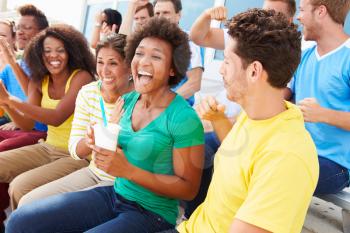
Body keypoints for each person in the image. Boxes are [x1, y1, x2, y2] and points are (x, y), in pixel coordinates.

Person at [6, 17, 204, 233]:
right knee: (20, 221)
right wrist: (96, 139)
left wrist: (128, 171)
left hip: (152, 213)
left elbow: (188, 190)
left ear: (173, 69)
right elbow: (106, 141)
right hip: (115, 195)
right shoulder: (127, 101)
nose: (143, 62)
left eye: (156, 56)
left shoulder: (184, 118)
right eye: (139, 53)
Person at [176, 8, 319, 233]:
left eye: (228, 62)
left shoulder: (286, 156)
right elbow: (241, 155)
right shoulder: (259, 115)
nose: (221, 69)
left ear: (254, 71)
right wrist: (218, 119)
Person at [16, 33, 134, 207]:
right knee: (28, 201)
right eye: (100, 62)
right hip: (93, 172)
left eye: (113, 63)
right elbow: (76, 150)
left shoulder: (140, 98)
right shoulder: (88, 92)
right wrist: (93, 139)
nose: (104, 70)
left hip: (123, 183)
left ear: (130, 67)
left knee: (55, 210)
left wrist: (108, 131)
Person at [0, 24, 95, 217]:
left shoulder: (81, 78)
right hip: (47, 147)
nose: (54, 56)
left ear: (72, 52)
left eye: (61, 50)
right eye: (47, 51)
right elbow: (27, 124)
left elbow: (57, 118)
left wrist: (11, 100)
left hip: (75, 155)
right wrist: (6, 102)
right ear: (39, 54)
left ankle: (25, 227)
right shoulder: (39, 79)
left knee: (19, 187)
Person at [288, 0, 350, 194]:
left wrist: (323, 114)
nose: (298, 17)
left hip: (337, 165)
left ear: (321, 12)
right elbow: (278, 98)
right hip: (299, 152)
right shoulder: (303, 57)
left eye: (302, 10)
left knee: (281, 176)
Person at [0, 4, 49, 231]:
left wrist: (11, 109)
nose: (19, 32)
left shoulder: (46, 67)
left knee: (4, 148)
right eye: (18, 28)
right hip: (19, 127)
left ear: (41, 34)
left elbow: (30, 116)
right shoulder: (11, 68)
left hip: (40, 132)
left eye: (26, 28)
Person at [153, 0, 204, 106]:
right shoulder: (152, 41)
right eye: (157, 13)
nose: (161, 17)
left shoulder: (189, 42)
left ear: (178, 15)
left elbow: (194, 83)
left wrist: (163, 103)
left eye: (166, 13)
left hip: (176, 112)